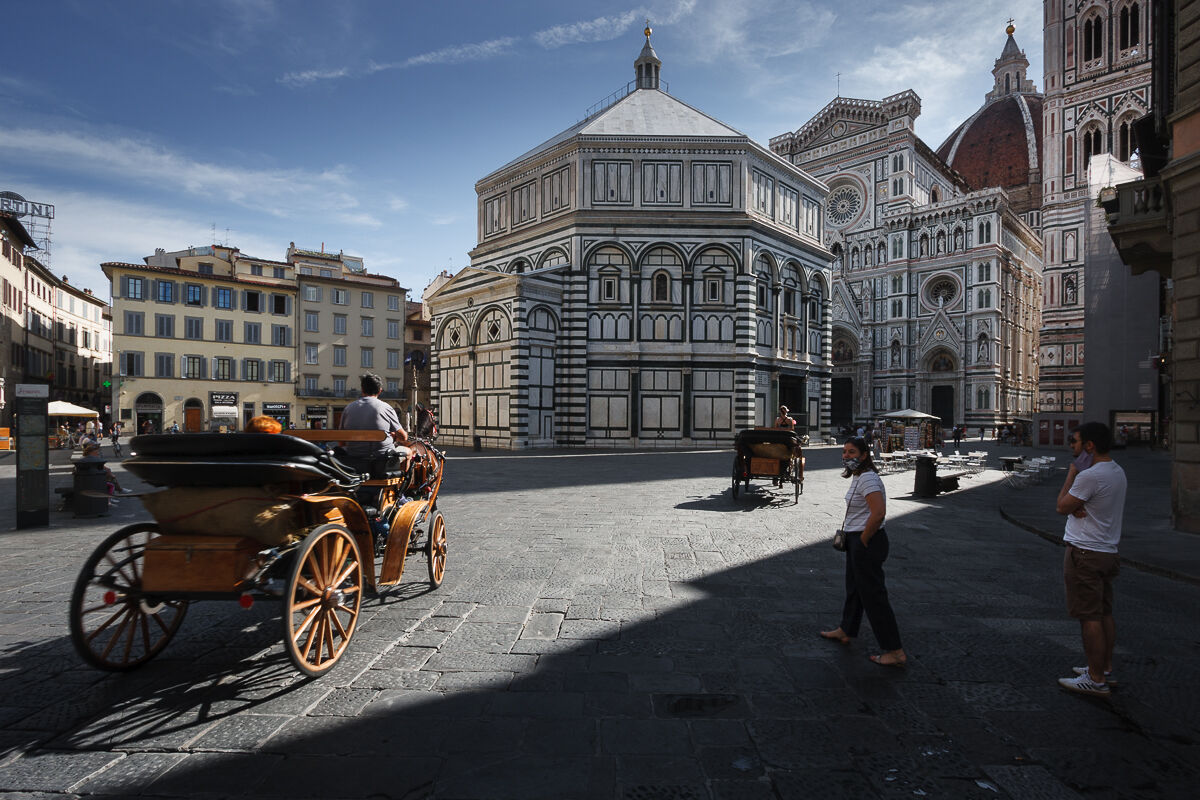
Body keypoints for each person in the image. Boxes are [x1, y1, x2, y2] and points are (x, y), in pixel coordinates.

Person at [1055, 422, 1127, 697]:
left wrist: (1073, 473)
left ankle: (1095, 678)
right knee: (1104, 612)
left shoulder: (1089, 476)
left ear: (1089, 446)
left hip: (1085, 552)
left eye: (1074, 443)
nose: (1072, 449)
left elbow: (1061, 506)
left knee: (1089, 617)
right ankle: (1104, 668)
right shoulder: (1117, 471)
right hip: (1108, 551)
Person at [820, 437, 906, 667]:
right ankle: (846, 629)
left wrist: (864, 540)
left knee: (874, 597)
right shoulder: (860, 476)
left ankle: (894, 650)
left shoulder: (867, 478)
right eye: (845, 452)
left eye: (852, 452)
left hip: (867, 540)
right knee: (855, 589)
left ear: (865, 455)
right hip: (857, 539)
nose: (847, 456)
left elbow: (878, 513)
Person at [339, 373, 409, 468]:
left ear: (362, 389)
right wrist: (393, 437)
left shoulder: (348, 408)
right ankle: (404, 481)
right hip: (381, 461)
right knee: (408, 451)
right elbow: (403, 437)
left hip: (354, 460)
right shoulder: (386, 408)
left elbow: (341, 442)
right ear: (380, 391)